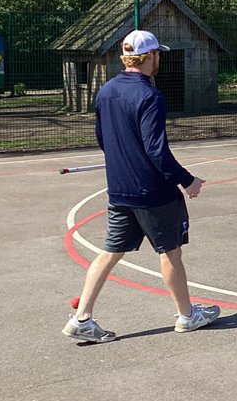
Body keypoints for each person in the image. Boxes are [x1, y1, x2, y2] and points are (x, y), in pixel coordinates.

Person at [62, 29, 217, 343]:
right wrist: (188, 180)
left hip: (120, 189)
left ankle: (82, 318)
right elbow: (156, 150)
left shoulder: (106, 91)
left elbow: (103, 139)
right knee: (170, 252)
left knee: (110, 252)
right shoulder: (150, 96)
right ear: (149, 57)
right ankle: (187, 315)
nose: (160, 58)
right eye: (158, 53)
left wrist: (124, 163)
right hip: (152, 192)